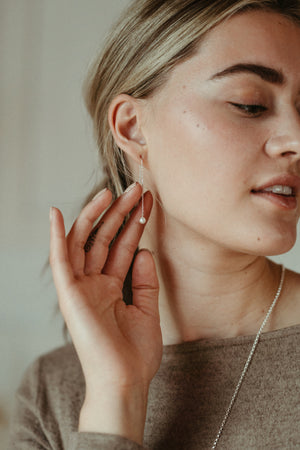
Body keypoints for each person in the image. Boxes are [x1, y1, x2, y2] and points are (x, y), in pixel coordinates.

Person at [9, 0, 300, 448]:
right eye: (251, 104)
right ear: (132, 127)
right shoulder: (54, 391)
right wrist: (115, 395)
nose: (295, 139)